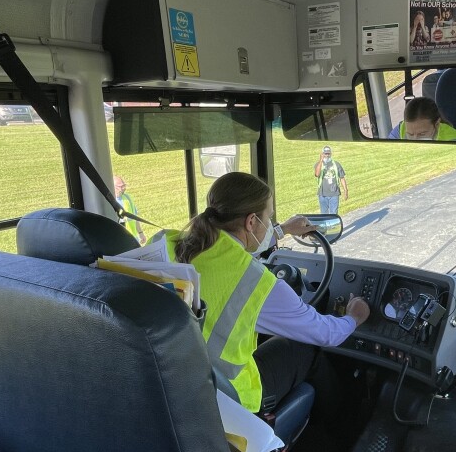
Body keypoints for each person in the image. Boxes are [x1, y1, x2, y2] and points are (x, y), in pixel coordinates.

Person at [164, 172, 371, 413]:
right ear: (251, 221)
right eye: (269, 217)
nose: (270, 223)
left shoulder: (170, 244)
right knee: (306, 347)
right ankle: (347, 420)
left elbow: (229, 251)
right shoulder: (256, 283)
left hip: (176, 379)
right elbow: (327, 334)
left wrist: (283, 230)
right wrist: (354, 317)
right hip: (229, 396)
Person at [387, 96, 456, 141]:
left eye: (422, 134)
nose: (415, 141)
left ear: (437, 124)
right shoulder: (400, 130)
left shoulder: (453, 141)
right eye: (410, 134)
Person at [313, 146, 348, 214]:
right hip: (322, 194)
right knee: (324, 214)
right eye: (325, 154)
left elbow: (342, 178)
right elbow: (317, 174)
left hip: (334, 194)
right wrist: (321, 160)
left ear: (331, 154)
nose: (327, 155)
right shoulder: (318, 164)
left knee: (334, 214)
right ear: (322, 154)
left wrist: (346, 191)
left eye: (328, 154)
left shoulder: (336, 164)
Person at [113, 175, 145, 244]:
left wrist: (140, 233)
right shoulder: (111, 201)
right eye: (121, 186)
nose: (124, 188)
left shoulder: (128, 198)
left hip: (133, 238)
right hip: (120, 240)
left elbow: (135, 217)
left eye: (124, 185)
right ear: (113, 187)